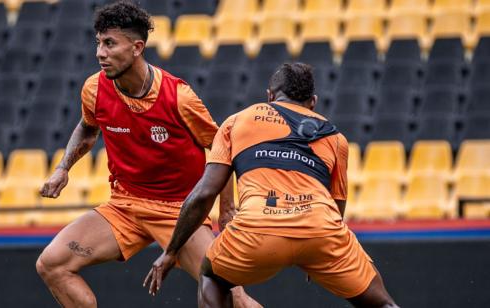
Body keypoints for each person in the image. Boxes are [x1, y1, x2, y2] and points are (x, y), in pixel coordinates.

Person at [36, 1, 259, 307]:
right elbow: (88, 129)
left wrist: (226, 207)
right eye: (98, 43)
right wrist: (63, 167)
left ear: (137, 47)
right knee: (51, 264)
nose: (100, 52)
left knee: (232, 297)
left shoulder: (179, 97)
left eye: (110, 43)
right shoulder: (94, 89)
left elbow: (223, 147)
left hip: (179, 213)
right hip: (124, 206)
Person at [144, 63, 399, 307]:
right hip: (320, 230)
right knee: (382, 303)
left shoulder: (236, 121)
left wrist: (171, 251)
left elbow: (205, 193)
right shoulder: (335, 137)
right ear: (313, 102)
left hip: (257, 228)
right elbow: (337, 206)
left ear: (270, 96)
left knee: (211, 276)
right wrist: (320, 257)